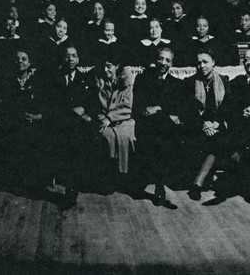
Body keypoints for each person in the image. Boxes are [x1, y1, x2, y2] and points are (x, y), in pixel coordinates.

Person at [202, 49, 250, 206]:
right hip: (241, 127)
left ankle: (237, 184)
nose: (249, 62)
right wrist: (241, 112)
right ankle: (247, 185)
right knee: (240, 138)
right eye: (246, 59)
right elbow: (226, 107)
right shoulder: (236, 82)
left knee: (248, 140)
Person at [133, 47, 182, 209]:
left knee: (164, 135)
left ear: (172, 64)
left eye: (167, 60)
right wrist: (164, 112)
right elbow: (140, 108)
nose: (163, 63)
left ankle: (159, 184)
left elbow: (179, 109)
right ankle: (158, 184)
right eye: (161, 59)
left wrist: (158, 109)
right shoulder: (143, 79)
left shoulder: (176, 84)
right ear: (156, 60)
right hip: (146, 125)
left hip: (165, 128)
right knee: (158, 135)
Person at [45, 45, 93, 208]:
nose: (71, 59)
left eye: (74, 56)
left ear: (78, 59)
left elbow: (89, 102)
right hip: (58, 121)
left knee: (76, 146)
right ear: (62, 58)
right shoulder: (53, 77)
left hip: (77, 125)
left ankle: (72, 191)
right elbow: (50, 102)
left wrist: (85, 112)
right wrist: (72, 111)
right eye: (67, 56)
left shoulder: (84, 78)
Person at [182, 48, 229, 202]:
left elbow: (227, 107)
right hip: (197, 124)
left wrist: (216, 124)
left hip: (218, 124)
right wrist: (204, 124)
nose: (201, 66)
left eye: (205, 62)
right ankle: (202, 182)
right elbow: (188, 110)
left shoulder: (224, 80)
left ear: (213, 63)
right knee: (212, 141)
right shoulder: (189, 82)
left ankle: (197, 184)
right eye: (198, 62)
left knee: (219, 139)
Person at [0, 50, 47, 189]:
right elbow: (4, 105)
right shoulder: (7, 82)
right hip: (14, 121)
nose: (20, 62)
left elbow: (44, 105)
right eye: (17, 59)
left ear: (29, 63)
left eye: (24, 59)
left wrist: (37, 116)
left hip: (34, 121)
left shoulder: (37, 82)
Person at [89, 51, 136, 186]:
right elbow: (95, 105)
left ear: (116, 66)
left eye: (109, 66)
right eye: (104, 66)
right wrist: (102, 117)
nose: (106, 69)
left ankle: (124, 176)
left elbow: (127, 106)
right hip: (103, 119)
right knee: (107, 136)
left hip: (124, 120)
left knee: (126, 137)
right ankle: (109, 178)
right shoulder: (100, 82)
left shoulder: (125, 84)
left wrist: (110, 118)